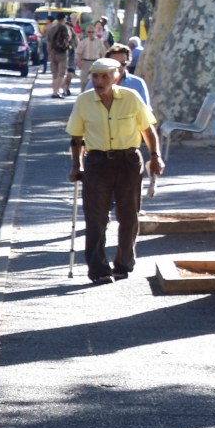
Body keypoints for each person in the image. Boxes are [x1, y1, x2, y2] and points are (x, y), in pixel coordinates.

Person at [68, 57, 164, 285]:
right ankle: (99, 270)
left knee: (129, 215)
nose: (99, 81)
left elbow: (147, 130)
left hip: (128, 161)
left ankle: (123, 264)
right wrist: (76, 166)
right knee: (96, 218)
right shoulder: (84, 101)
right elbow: (76, 138)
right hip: (97, 163)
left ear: (116, 77)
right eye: (95, 76)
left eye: (105, 76)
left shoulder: (131, 98)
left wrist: (155, 156)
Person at [106, 44, 152, 110]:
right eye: (114, 63)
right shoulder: (96, 82)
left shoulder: (138, 83)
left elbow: (146, 111)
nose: (118, 67)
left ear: (128, 63)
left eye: (123, 63)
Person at [43, 16, 74, 98]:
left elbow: (48, 43)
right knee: (61, 74)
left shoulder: (52, 29)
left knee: (54, 74)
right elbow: (69, 39)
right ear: (63, 19)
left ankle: (54, 91)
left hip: (53, 52)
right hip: (63, 53)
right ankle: (56, 92)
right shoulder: (66, 28)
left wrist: (49, 53)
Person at [74, 18, 107, 88]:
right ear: (87, 32)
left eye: (92, 32)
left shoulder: (99, 41)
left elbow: (103, 52)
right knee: (83, 81)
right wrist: (79, 62)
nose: (91, 33)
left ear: (95, 32)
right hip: (85, 62)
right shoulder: (83, 41)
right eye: (89, 32)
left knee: (95, 81)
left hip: (95, 62)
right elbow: (79, 52)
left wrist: (102, 62)